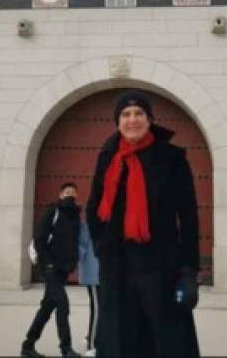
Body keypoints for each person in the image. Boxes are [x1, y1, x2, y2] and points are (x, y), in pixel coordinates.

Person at [86, 90, 201, 357]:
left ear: (150, 120)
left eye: (139, 113)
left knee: (167, 341)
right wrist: (101, 248)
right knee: (120, 340)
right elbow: (93, 207)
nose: (132, 120)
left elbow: (189, 217)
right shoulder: (108, 157)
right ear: (118, 122)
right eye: (125, 114)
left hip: (161, 267)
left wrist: (187, 271)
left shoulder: (172, 159)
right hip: (118, 267)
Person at [22, 182, 82, 358]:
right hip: (50, 268)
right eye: (66, 192)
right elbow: (40, 238)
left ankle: (28, 346)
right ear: (60, 195)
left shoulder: (76, 216)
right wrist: (47, 263)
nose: (70, 194)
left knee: (47, 307)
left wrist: (73, 263)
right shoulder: (53, 211)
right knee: (62, 304)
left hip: (63, 269)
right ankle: (66, 348)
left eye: (73, 192)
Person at [77, 220, 99, 356]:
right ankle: (91, 345)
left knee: (98, 309)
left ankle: (90, 338)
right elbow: (80, 248)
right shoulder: (88, 226)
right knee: (97, 309)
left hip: (100, 274)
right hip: (94, 274)